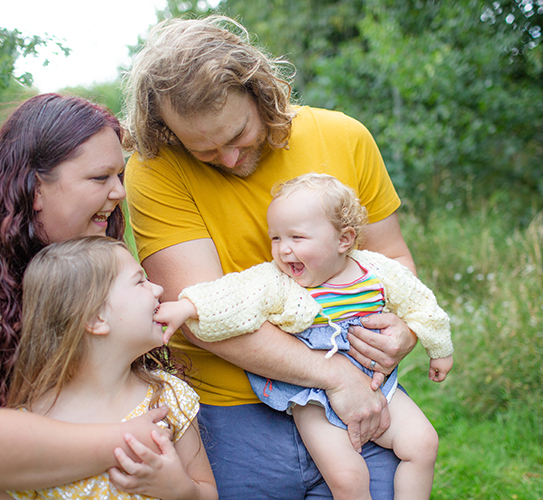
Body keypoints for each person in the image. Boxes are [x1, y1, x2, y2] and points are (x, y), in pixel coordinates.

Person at [123, 15, 429, 498]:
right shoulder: (155, 169)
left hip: (362, 398)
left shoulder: (344, 137)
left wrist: (406, 331)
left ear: (261, 92)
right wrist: (333, 375)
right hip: (232, 411)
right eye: (203, 149)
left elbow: (391, 258)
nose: (226, 159)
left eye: (237, 134)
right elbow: (199, 313)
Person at [155, 174, 453, 500]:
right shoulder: (279, 283)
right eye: (276, 238)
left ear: (344, 239)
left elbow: (420, 302)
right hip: (311, 396)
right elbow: (233, 296)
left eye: (296, 237)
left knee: (424, 443)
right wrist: (187, 307)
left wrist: (438, 348)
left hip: (377, 385)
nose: (283, 250)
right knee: (348, 477)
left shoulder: (376, 272)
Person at [0, 94, 168, 500]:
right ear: (35, 188)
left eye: (120, 177)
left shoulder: (87, 255)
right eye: (100, 178)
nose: (119, 193)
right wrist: (125, 439)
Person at [0, 237, 217, 500]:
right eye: (140, 281)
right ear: (95, 318)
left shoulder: (167, 396)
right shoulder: (25, 429)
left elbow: (207, 492)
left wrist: (181, 490)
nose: (158, 288)